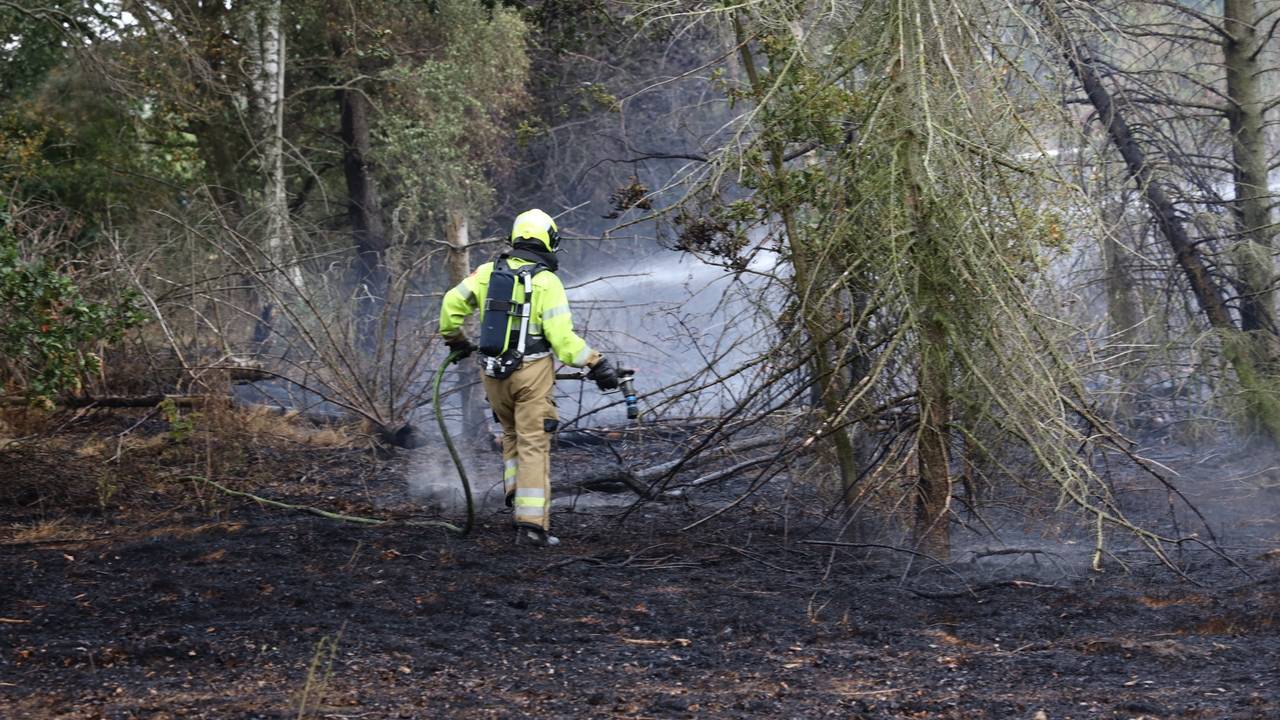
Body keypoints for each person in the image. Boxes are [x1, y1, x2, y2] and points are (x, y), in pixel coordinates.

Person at [438, 209, 619, 547]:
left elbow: (451, 304)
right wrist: (596, 363)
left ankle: (516, 498)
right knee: (534, 443)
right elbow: (563, 342)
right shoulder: (547, 282)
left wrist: (456, 340)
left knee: (511, 435)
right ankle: (533, 526)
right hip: (531, 375)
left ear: (515, 239)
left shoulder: (487, 273)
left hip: (494, 377)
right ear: (549, 241)